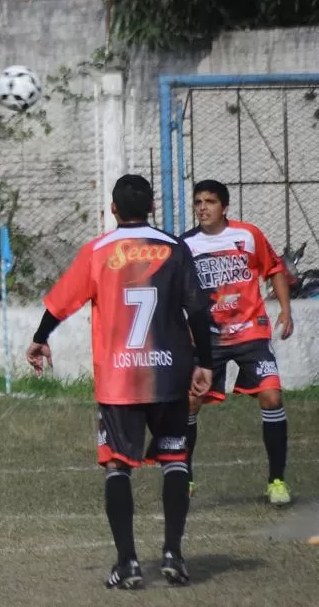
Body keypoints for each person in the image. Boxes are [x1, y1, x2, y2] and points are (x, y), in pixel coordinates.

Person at [26, 175, 213, 589]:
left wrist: (40, 339)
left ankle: (128, 563)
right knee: (176, 460)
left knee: (116, 467)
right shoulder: (174, 248)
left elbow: (60, 304)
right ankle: (173, 556)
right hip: (169, 375)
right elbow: (198, 310)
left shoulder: (97, 251)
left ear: (113, 209)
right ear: (151, 207)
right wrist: (206, 362)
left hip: (119, 381)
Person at [181, 180, 294, 505]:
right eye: (198, 202)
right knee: (190, 403)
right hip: (208, 339)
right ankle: (184, 479)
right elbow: (176, 290)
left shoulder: (248, 235)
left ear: (225, 207)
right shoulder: (186, 244)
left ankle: (276, 481)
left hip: (251, 333)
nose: (203, 208)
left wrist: (285, 310)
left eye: (210, 202)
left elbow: (274, 269)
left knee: (272, 397)